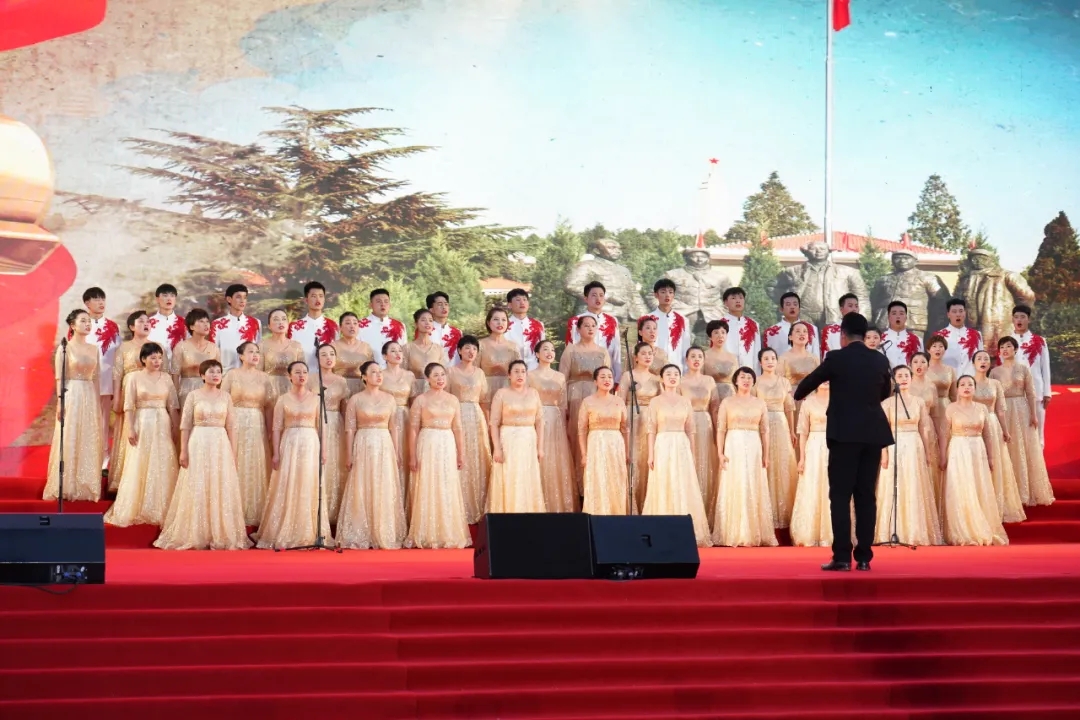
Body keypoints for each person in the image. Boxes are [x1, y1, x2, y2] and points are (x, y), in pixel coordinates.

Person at [794, 313, 894, 572]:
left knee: (840, 495)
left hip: (844, 435)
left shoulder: (836, 358)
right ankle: (864, 558)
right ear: (865, 334)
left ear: (843, 335)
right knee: (866, 495)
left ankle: (841, 557)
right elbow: (885, 392)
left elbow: (807, 385)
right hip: (872, 434)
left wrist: (799, 392)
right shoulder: (880, 359)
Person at [155, 359, 250, 550]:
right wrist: (183, 451)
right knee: (197, 483)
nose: (215, 375)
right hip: (198, 442)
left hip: (220, 443)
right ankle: (195, 532)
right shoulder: (193, 395)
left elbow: (232, 426)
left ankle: (220, 532)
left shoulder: (226, 397)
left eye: (218, 372)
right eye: (211, 371)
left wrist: (233, 452)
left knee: (219, 484)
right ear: (202, 375)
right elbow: (185, 425)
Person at [256, 361, 333, 549]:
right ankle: (285, 529)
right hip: (289, 443)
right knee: (288, 482)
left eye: (305, 372)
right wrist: (276, 453)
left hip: (310, 443)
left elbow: (322, 427)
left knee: (309, 482)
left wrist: (324, 451)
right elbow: (276, 428)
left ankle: (309, 531)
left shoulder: (317, 399)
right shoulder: (283, 399)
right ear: (289, 376)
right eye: (297, 372)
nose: (302, 375)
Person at [104, 342, 180, 527]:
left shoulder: (166, 378)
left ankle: (162, 508)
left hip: (162, 423)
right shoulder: (133, 377)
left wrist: (176, 427)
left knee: (162, 462)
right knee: (139, 462)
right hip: (142, 422)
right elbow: (129, 406)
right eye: (153, 358)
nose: (157, 361)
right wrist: (130, 428)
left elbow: (173, 405)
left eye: (159, 358)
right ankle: (136, 507)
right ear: (144, 359)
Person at [339, 361, 407, 550]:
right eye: (374, 372)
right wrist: (349, 454)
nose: (378, 375)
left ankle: (383, 531)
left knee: (383, 485)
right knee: (362, 484)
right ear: (364, 377)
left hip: (384, 445)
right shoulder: (355, 399)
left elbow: (394, 428)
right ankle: (361, 531)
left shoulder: (390, 399)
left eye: (380, 372)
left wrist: (396, 452)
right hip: (363, 443)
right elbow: (349, 429)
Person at [643, 364, 712, 547]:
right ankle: (660, 531)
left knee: (683, 483)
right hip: (662, 444)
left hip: (681, 445)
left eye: (676, 374)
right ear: (662, 378)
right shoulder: (655, 402)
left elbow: (690, 429)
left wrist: (692, 452)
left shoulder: (685, 401)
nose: (672, 377)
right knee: (664, 483)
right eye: (668, 374)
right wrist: (650, 454)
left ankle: (685, 531)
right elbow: (651, 429)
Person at [405, 363, 471, 549]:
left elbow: (458, 428)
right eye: (435, 375)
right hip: (427, 443)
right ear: (427, 379)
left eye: (443, 374)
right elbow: (413, 429)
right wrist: (412, 456)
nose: (440, 378)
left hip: (447, 444)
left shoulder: (453, 400)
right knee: (428, 484)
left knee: (447, 484)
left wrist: (461, 453)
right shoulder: (420, 400)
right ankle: (427, 533)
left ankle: (448, 532)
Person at [876, 366, 943, 546]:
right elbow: (882, 430)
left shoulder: (919, 402)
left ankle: (915, 531)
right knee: (894, 485)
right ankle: (892, 530)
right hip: (894, 444)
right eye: (899, 375)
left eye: (906, 375)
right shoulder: (887, 403)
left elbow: (924, 428)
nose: (904, 378)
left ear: (911, 379)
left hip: (915, 445)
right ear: (894, 380)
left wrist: (927, 452)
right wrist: (884, 453)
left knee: (914, 484)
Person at [939, 376, 1008, 546]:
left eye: (970, 384)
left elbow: (988, 435)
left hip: (978, 450)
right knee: (960, 488)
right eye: (962, 385)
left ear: (975, 389)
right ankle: (962, 530)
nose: (966, 387)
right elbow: (944, 434)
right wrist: (943, 456)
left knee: (979, 486)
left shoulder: (982, 408)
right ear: (957, 389)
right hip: (958, 450)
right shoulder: (951, 408)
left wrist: (991, 457)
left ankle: (981, 527)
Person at [712, 367, 777, 548]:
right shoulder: (727, 402)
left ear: (753, 381)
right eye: (742, 377)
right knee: (735, 483)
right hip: (733, 446)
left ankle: (754, 532)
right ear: (736, 380)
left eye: (749, 377)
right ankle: (732, 532)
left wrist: (766, 454)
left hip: (754, 446)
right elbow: (721, 429)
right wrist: (720, 453)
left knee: (753, 483)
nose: (746, 380)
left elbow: (765, 431)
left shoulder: (760, 403)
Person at [43, 309, 103, 502]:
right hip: (72, 394)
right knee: (70, 435)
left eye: (89, 321)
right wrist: (61, 402)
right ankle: (67, 485)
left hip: (89, 395)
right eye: (83, 321)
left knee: (87, 437)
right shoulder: (65, 348)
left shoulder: (94, 349)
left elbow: (96, 378)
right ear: (72, 325)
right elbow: (59, 378)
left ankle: (86, 487)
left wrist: (97, 402)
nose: (87, 324)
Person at [992, 337, 1055, 507]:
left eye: (1008, 346)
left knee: (1023, 447)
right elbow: (992, 395)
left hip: (1022, 409)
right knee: (1007, 448)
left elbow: (1031, 393)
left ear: (1015, 349)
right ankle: (1008, 493)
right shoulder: (994, 372)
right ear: (999, 351)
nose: (1005, 349)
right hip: (1003, 411)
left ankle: (1025, 492)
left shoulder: (1023, 369)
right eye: (1002, 347)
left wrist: (1034, 415)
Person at [221, 342, 275, 527]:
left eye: (257, 352)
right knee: (236, 460)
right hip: (235, 422)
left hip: (257, 423)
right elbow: (223, 401)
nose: (255, 355)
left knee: (256, 463)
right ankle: (232, 511)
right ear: (241, 356)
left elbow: (269, 406)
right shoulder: (231, 375)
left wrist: (269, 429)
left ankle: (255, 511)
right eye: (251, 352)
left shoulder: (265, 378)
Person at [972, 350, 1026, 523]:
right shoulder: (968, 382)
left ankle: (997, 506)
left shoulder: (995, 384)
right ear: (973, 363)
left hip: (993, 424)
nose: (983, 361)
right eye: (979, 358)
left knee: (995, 464)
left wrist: (1005, 430)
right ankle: (979, 507)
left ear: (990, 364)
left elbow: (1000, 410)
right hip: (974, 427)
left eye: (986, 359)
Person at [560, 315, 612, 490]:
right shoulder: (570, 350)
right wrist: (564, 405)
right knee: (577, 436)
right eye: (586, 326)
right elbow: (562, 379)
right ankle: (578, 486)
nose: (590, 329)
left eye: (593, 326)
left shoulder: (603, 352)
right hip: (575, 397)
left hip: (597, 397)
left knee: (595, 436)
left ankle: (596, 483)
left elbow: (608, 378)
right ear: (578, 329)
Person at [488, 360, 547, 513]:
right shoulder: (501, 393)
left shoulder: (533, 393)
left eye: (523, 371)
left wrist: (540, 447)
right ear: (509, 375)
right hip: (508, 440)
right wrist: (497, 448)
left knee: (527, 477)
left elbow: (540, 421)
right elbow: (494, 423)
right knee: (510, 476)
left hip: (529, 440)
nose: (520, 375)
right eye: (516, 371)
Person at [447, 335, 492, 523]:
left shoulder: (480, 373)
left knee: (477, 457)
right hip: (456, 416)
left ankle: (479, 506)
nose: (471, 351)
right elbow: (445, 397)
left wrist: (487, 424)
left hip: (476, 417)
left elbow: (484, 400)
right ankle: (458, 507)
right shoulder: (450, 371)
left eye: (474, 348)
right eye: (467, 348)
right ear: (459, 351)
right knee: (458, 456)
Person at [529, 340, 578, 512]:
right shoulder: (530, 375)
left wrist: (564, 424)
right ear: (537, 354)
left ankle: (558, 503)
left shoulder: (560, 377)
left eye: (552, 350)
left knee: (557, 456)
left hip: (557, 420)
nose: (549, 352)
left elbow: (563, 404)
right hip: (537, 417)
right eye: (545, 349)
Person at [754, 347, 798, 530]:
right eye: (766, 358)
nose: (770, 361)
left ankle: (786, 512)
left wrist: (792, 430)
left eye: (773, 358)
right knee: (765, 463)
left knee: (783, 464)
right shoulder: (755, 382)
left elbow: (789, 408)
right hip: (761, 425)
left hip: (781, 424)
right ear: (760, 362)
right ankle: (765, 513)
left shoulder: (784, 382)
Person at [578, 367, 630, 515]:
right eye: (602, 377)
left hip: (616, 445)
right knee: (598, 478)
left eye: (609, 377)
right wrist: (584, 454)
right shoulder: (587, 401)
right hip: (595, 444)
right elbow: (582, 429)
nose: (607, 380)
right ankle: (596, 515)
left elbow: (625, 428)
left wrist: (626, 452)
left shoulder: (619, 401)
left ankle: (617, 514)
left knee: (616, 479)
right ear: (595, 381)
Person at [109, 311, 151, 491]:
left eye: (148, 321)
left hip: (149, 393)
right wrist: (117, 397)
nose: (146, 324)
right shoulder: (124, 348)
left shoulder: (156, 347)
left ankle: (146, 479)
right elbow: (117, 374)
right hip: (129, 393)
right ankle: (125, 480)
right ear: (132, 326)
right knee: (129, 430)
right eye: (141, 321)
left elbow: (163, 373)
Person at [618, 342, 662, 510]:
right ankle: (631, 504)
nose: (647, 356)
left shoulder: (657, 379)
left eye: (650, 353)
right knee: (632, 458)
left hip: (650, 422)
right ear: (635, 357)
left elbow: (661, 403)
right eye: (643, 353)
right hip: (632, 420)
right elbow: (620, 402)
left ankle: (648, 504)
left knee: (648, 459)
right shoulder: (627, 376)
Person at [679, 347, 720, 524]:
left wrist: (718, 431)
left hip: (705, 423)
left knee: (706, 464)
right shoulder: (680, 380)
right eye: (693, 356)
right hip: (684, 425)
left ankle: (707, 513)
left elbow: (715, 407)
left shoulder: (709, 380)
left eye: (700, 357)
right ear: (686, 360)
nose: (696, 359)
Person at [81, 287, 120, 466]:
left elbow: (118, 355)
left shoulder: (112, 326)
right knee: (86, 419)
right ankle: (86, 458)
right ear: (87, 303)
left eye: (102, 299)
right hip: (86, 382)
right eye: (96, 299)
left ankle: (104, 459)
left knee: (104, 421)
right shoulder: (80, 324)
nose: (101, 302)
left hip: (106, 381)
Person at [791, 382, 832, 547]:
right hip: (814, 447)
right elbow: (803, 432)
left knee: (832, 486)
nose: (826, 382)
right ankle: (810, 532)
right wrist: (802, 458)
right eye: (823, 379)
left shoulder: (840, 399)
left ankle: (832, 532)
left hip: (835, 446)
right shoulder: (808, 402)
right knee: (813, 485)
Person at [315, 343, 351, 524]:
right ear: (317, 358)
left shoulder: (342, 381)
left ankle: (335, 513)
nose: (328, 358)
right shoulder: (310, 379)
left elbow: (345, 409)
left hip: (336, 424)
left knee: (336, 465)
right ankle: (317, 511)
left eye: (331, 354)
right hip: (316, 423)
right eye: (323, 354)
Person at [1010, 305, 1051, 446]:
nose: (1019, 320)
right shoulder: (1007, 342)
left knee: (1038, 428)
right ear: (1012, 319)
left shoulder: (1039, 341)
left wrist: (1047, 393)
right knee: (1017, 430)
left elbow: (1045, 368)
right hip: (1014, 392)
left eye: (1023, 317)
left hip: (1036, 391)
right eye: (1016, 317)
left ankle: (1039, 456)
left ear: (1029, 319)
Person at [380, 341, 414, 509]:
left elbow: (414, 401)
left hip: (406, 416)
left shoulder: (409, 375)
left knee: (407, 456)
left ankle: (406, 504)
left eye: (400, 350)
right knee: (390, 457)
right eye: (393, 351)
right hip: (386, 419)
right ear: (385, 356)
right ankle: (390, 503)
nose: (398, 354)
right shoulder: (379, 374)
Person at [566, 281, 623, 379]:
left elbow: (616, 352)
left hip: (607, 376)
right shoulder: (575, 321)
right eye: (594, 295)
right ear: (585, 299)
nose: (598, 299)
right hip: (583, 374)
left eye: (601, 295)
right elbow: (569, 351)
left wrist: (617, 378)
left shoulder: (612, 321)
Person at [909, 351, 943, 508]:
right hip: (911, 428)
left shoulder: (931, 386)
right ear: (910, 365)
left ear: (928, 366)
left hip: (928, 427)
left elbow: (936, 414)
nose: (919, 365)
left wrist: (939, 433)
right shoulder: (904, 384)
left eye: (923, 362)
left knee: (930, 463)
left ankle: (930, 505)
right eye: (915, 362)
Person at [170, 308, 221, 410]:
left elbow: (219, 374)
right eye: (201, 321)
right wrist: (175, 400)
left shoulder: (214, 348)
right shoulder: (181, 347)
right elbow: (175, 375)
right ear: (191, 326)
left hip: (209, 392)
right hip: (187, 391)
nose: (206, 324)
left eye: (207, 321)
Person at [640, 279, 691, 372]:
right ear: (656, 295)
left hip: (676, 370)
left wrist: (686, 371)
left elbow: (686, 348)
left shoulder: (683, 320)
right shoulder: (646, 319)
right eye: (663, 292)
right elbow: (640, 346)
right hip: (652, 369)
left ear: (674, 295)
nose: (667, 295)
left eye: (670, 292)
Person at [479, 306, 522, 414]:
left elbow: (519, 372)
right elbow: (474, 371)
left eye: (503, 320)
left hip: (507, 390)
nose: (500, 323)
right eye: (496, 319)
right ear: (488, 322)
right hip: (485, 392)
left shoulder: (513, 347)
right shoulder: (480, 345)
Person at [288, 281, 339, 369]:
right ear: (306, 300)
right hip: (302, 374)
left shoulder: (332, 325)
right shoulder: (294, 327)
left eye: (321, 296)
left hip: (326, 374)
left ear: (324, 299)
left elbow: (336, 353)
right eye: (314, 296)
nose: (318, 299)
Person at [210, 283, 261, 371]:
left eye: (245, 297)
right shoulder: (217, 324)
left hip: (249, 373)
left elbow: (258, 350)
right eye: (238, 297)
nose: (242, 301)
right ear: (229, 299)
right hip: (225, 374)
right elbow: (213, 353)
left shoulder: (255, 323)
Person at [777, 321, 819, 421]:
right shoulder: (783, 358)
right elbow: (779, 383)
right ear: (790, 337)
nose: (802, 334)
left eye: (805, 331)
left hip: (812, 400)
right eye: (798, 331)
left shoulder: (814, 359)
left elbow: (820, 383)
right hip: (793, 399)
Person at [404, 308, 450, 398]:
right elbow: (402, 374)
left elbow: (444, 374)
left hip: (434, 395)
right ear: (416, 324)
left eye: (430, 320)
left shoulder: (439, 349)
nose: (427, 323)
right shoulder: (407, 348)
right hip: (413, 394)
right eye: (423, 320)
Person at [260, 308, 304, 398]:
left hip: (292, 391)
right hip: (269, 392)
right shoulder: (262, 345)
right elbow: (258, 373)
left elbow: (303, 372)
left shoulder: (296, 346)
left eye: (284, 319)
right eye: (276, 319)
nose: (281, 322)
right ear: (269, 326)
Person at [357, 288, 407, 366]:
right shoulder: (359, 325)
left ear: (390, 305)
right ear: (370, 305)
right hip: (368, 370)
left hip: (394, 370)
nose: (383, 304)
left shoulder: (399, 326)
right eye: (378, 301)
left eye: (386, 301)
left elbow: (403, 351)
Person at [933, 298, 983, 375]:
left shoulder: (976, 335)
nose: (958, 314)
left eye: (961, 311)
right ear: (948, 315)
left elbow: (981, 358)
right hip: (949, 379)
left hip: (972, 379)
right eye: (954, 312)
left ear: (965, 313)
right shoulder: (939, 336)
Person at [764, 292, 820, 359]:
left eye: (795, 304)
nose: (792, 307)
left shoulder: (811, 329)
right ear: (781, 309)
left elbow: (816, 357)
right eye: (788, 304)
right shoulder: (771, 332)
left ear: (799, 308)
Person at [332, 312, 374, 397]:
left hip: (362, 388)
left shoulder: (366, 347)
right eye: (348, 323)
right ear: (340, 328)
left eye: (355, 323)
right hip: (338, 387)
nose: (352, 326)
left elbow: (371, 369)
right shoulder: (332, 346)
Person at [721, 287, 761, 373]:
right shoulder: (719, 325)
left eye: (741, 298)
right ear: (725, 303)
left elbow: (756, 352)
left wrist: (756, 375)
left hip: (749, 373)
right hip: (727, 372)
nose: (738, 301)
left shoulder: (753, 324)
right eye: (733, 298)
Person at [925, 335, 957, 443]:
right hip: (927, 407)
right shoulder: (923, 368)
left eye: (941, 346)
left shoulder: (950, 370)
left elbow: (954, 395)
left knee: (945, 438)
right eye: (934, 346)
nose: (938, 349)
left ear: (945, 349)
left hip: (945, 407)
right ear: (928, 350)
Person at [506, 288, 546, 370]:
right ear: (509, 305)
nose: (522, 302)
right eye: (518, 300)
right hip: (511, 370)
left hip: (535, 370)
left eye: (525, 299)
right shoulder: (504, 325)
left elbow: (543, 349)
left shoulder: (538, 325)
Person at [146, 283, 187, 360]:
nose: (169, 299)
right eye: (165, 295)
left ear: (175, 299)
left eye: (172, 296)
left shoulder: (185, 323)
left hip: (179, 365)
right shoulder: (148, 323)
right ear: (157, 299)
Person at [880, 301, 924, 369]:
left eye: (901, 313)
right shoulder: (879, 340)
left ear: (906, 317)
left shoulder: (917, 340)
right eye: (894, 313)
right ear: (889, 317)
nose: (898, 317)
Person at [702, 319, 737, 401]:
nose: (720, 336)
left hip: (731, 398)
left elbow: (737, 381)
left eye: (723, 332)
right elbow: (700, 380)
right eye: (716, 332)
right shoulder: (704, 356)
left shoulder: (733, 357)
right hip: (711, 397)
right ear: (710, 336)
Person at [426, 291, 463, 364]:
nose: (444, 307)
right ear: (431, 309)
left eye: (446, 304)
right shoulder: (425, 331)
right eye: (440, 304)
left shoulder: (457, 333)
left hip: (453, 370)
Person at [820, 293, 860, 359]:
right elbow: (825, 357)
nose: (854, 309)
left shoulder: (865, 330)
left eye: (856, 306)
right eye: (850, 306)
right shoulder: (828, 331)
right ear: (841, 309)